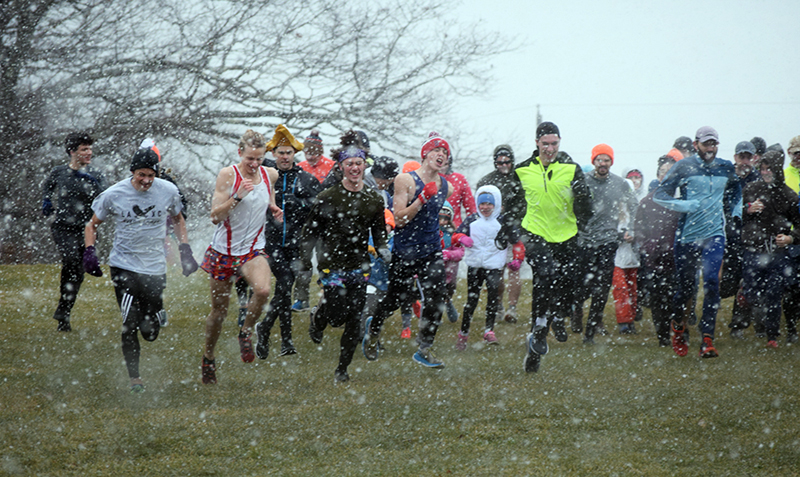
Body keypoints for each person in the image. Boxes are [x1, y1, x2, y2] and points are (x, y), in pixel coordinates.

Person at [82, 148, 198, 393]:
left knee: (150, 333)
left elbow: (178, 219)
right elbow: (92, 224)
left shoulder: (168, 191)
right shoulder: (114, 194)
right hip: (123, 267)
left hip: (155, 268)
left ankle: (157, 314)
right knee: (129, 322)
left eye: (151, 175)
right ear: (132, 172)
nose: (146, 180)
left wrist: (185, 248)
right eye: (141, 175)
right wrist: (89, 251)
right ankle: (135, 379)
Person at [362, 131, 454, 368]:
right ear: (425, 154)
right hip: (405, 251)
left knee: (436, 297)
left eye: (445, 152)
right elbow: (399, 218)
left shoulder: (447, 186)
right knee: (394, 299)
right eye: (436, 150)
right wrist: (421, 199)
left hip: (431, 250)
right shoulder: (406, 180)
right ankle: (373, 329)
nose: (441, 155)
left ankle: (424, 349)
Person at [508, 121, 592, 373]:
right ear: (537, 143)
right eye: (545, 144)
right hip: (535, 233)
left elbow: (586, 209)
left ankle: (555, 316)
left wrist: (582, 196)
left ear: (559, 142)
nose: (549, 149)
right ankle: (539, 330)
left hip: (566, 235)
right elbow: (513, 206)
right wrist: (509, 231)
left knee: (567, 281)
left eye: (554, 144)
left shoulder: (571, 168)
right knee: (544, 276)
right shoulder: (522, 170)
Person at [199, 129, 282, 384]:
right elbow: (215, 216)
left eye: (259, 159)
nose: (254, 165)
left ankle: (245, 332)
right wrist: (237, 197)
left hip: (252, 250)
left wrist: (273, 207)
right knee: (219, 313)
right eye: (250, 159)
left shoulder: (270, 174)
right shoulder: (228, 175)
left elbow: (268, 197)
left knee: (264, 291)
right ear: (240, 154)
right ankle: (208, 357)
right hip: (224, 252)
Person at [300, 145, 388, 382]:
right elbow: (309, 233)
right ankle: (319, 318)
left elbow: (379, 231)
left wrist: (382, 248)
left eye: (358, 163)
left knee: (354, 318)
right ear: (341, 167)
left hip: (360, 266)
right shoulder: (327, 198)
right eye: (349, 163)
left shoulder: (372, 199)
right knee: (337, 316)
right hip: (332, 265)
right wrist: (305, 261)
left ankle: (342, 370)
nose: (354, 168)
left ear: (364, 166)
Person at [654, 126, 740, 358]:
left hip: (714, 235)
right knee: (686, 288)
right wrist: (684, 205)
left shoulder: (725, 167)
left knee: (712, 282)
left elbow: (735, 190)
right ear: (696, 145)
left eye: (714, 144)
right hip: (687, 237)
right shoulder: (684, 166)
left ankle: (707, 338)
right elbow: (659, 195)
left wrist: (736, 211)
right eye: (706, 144)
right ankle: (678, 327)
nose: (710, 148)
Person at [246, 125, 321, 358]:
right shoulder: (264, 178)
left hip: (296, 245)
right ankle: (284, 339)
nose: (285, 157)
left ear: (294, 155)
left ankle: (267, 329)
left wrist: (297, 203)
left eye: (289, 153)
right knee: (285, 283)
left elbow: (317, 209)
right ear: (273, 154)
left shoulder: (307, 179)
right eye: (281, 153)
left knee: (284, 289)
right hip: (269, 243)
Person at [42, 132, 105, 332]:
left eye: (90, 148)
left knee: (77, 272)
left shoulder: (96, 175)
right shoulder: (58, 172)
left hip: (86, 229)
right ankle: (64, 310)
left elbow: (106, 197)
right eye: (84, 149)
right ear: (72, 152)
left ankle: (64, 312)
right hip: (62, 227)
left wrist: (93, 183)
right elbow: (48, 186)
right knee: (70, 260)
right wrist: (47, 200)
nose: (89, 152)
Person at [574, 144, 637, 342]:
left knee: (601, 288)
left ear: (611, 162)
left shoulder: (619, 183)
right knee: (583, 286)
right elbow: (567, 205)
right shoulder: (583, 182)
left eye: (607, 160)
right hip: (584, 241)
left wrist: (631, 229)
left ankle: (590, 332)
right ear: (593, 161)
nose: (603, 163)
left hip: (608, 241)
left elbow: (634, 206)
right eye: (600, 159)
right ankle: (576, 310)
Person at [740, 151, 800, 347]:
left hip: (777, 252)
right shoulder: (750, 189)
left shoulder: (789, 195)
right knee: (753, 293)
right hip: (753, 250)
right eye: (763, 168)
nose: (766, 172)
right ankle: (759, 321)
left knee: (775, 292)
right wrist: (748, 209)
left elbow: (799, 225)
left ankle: (772, 336)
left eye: (769, 169)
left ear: (777, 169)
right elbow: (735, 216)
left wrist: (791, 237)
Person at [454, 185, 518, 349]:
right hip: (475, 265)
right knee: (471, 300)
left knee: (493, 297)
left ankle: (489, 331)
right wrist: (462, 238)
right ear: (477, 203)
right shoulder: (472, 219)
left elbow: (516, 241)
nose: (485, 207)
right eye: (482, 204)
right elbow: (456, 235)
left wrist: (517, 259)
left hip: (494, 265)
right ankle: (463, 333)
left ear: (496, 203)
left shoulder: (504, 221)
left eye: (489, 204)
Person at [476, 145, 525, 323]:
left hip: (516, 230)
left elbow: (526, 204)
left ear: (512, 160)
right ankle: (498, 306)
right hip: (494, 232)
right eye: (499, 162)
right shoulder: (486, 181)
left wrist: (512, 214)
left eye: (507, 161)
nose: (503, 165)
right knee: (496, 271)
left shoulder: (521, 178)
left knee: (514, 268)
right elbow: (480, 206)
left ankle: (512, 308)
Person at [634, 156, 680, 346]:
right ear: (658, 176)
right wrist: (648, 248)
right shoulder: (647, 202)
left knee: (677, 299)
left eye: (670, 173)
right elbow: (639, 229)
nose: (666, 176)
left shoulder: (680, 202)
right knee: (658, 299)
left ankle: (678, 331)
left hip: (677, 259)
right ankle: (662, 336)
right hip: (654, 260)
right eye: (663, 172)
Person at [725, 141, 762, 337]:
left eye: (749, 157)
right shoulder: (727, 178)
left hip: (752, 238)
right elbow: (722, 206)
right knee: (726, 284)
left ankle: (739, 325)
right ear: (735, 158)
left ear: (754, 158)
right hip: (728, 237)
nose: (745, 161)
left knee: (747, 282)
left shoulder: (759, 180)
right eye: (742, 157)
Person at [781, 135, 800, 344]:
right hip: (790, 239)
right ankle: (791, 329)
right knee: (792, 287)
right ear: (790, 154)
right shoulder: (785, 176)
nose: (799, 158)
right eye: (796, 154)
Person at [443, 154, 477, 228]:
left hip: (455, 228)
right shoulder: (428, 178)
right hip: (432, 228)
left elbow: (471, 207)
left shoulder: (460, 179)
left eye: (446, 163)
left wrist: (472, 227)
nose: (443, 167)